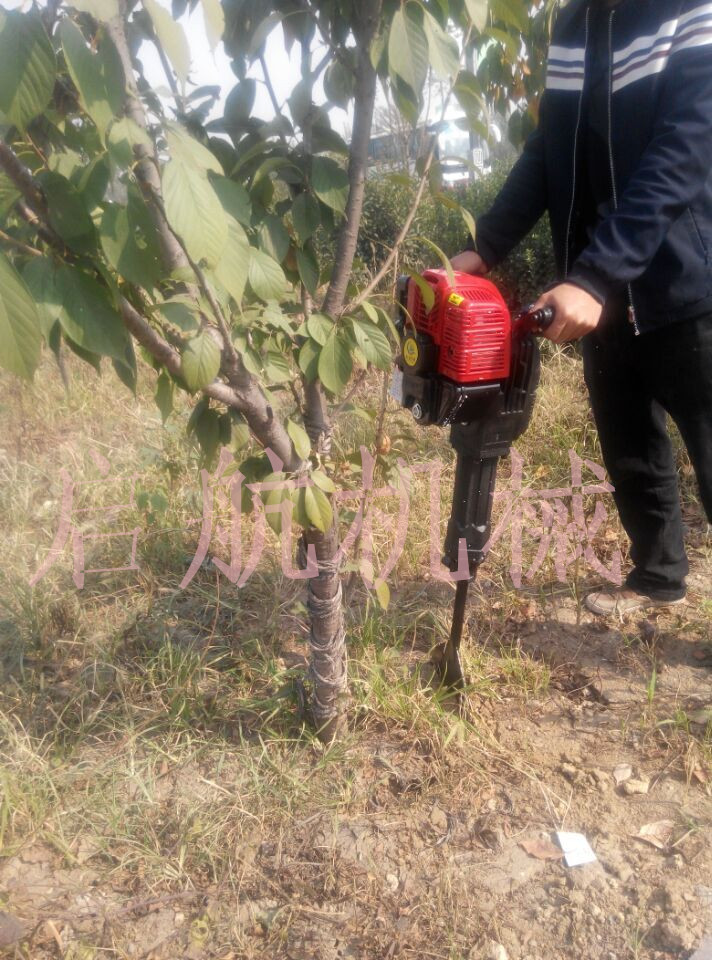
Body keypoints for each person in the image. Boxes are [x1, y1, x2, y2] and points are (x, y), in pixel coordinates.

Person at [452, 0, 712, 617]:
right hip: (600, 298)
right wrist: (482, 248)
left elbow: (686, 151)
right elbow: (547, 152)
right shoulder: (573, 25)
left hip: (684, 285)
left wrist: (596, 275)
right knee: (630, 449)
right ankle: (657, 579)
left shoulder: (689, 10)